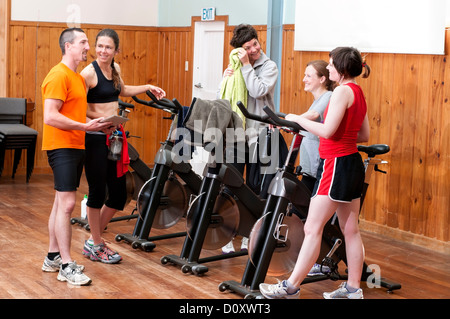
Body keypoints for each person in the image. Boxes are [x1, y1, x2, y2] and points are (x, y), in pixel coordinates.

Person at [259, 47, 371, 299]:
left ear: (341, 69)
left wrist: (297, 119)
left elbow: (329, 131)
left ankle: (290, 287)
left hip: (336, 164)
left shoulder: (341, 91)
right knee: (350, 230)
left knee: (312, 227)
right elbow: (363, 135)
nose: (328, 69)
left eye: (331, 65)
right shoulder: (358, 92)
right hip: (351, 162)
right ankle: (353, 289)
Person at [80, 29, 166, 264]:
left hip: (114, 137)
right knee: (97, 191)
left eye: (108, 47)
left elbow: (122, 90)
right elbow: (78, 106)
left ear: (116, 50)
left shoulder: (114, 69)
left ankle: (92, 240)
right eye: (99, 46)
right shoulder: (88, 73)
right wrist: (98, 122)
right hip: (96, 137)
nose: (102, 51)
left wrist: (148, 86)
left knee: (118, 193)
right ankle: (97, 243)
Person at [41, 28, 113, 285]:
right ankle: (66, 264)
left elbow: (71, 114)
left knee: (60, 203)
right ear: (68, 46)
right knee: (69, 204)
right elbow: (50, 115)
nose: (87, 46)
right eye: (83, 42)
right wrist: (85, 127)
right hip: (61, 147)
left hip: (76, 144)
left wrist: (96, 124)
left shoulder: (75, 78)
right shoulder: (58, 74)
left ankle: (52, 257)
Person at [219, 24, 279, 254]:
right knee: (231, 185)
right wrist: (225, 79)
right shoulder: (235, 65)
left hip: (260, 134)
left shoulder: (269, 66)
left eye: (255, 43)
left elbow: (257, 90)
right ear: (239, 49)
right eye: (247, 47)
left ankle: (248, 235)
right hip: (236, 133)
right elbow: (222, 97)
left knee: (254, 189)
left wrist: (245, 66)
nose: (254, 49)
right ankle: (227, 235)